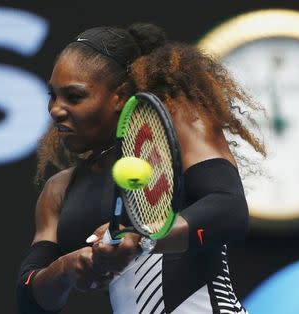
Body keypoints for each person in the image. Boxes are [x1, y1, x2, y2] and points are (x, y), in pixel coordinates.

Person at [16, 23, 265, 314]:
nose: (55, 109)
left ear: (119, 97)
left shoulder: (180, 127)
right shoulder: (58, 192)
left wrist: (141, 238)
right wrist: (65, 268)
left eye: (73, 96)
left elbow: (230, 211)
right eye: (52, 96)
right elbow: (29, 300)